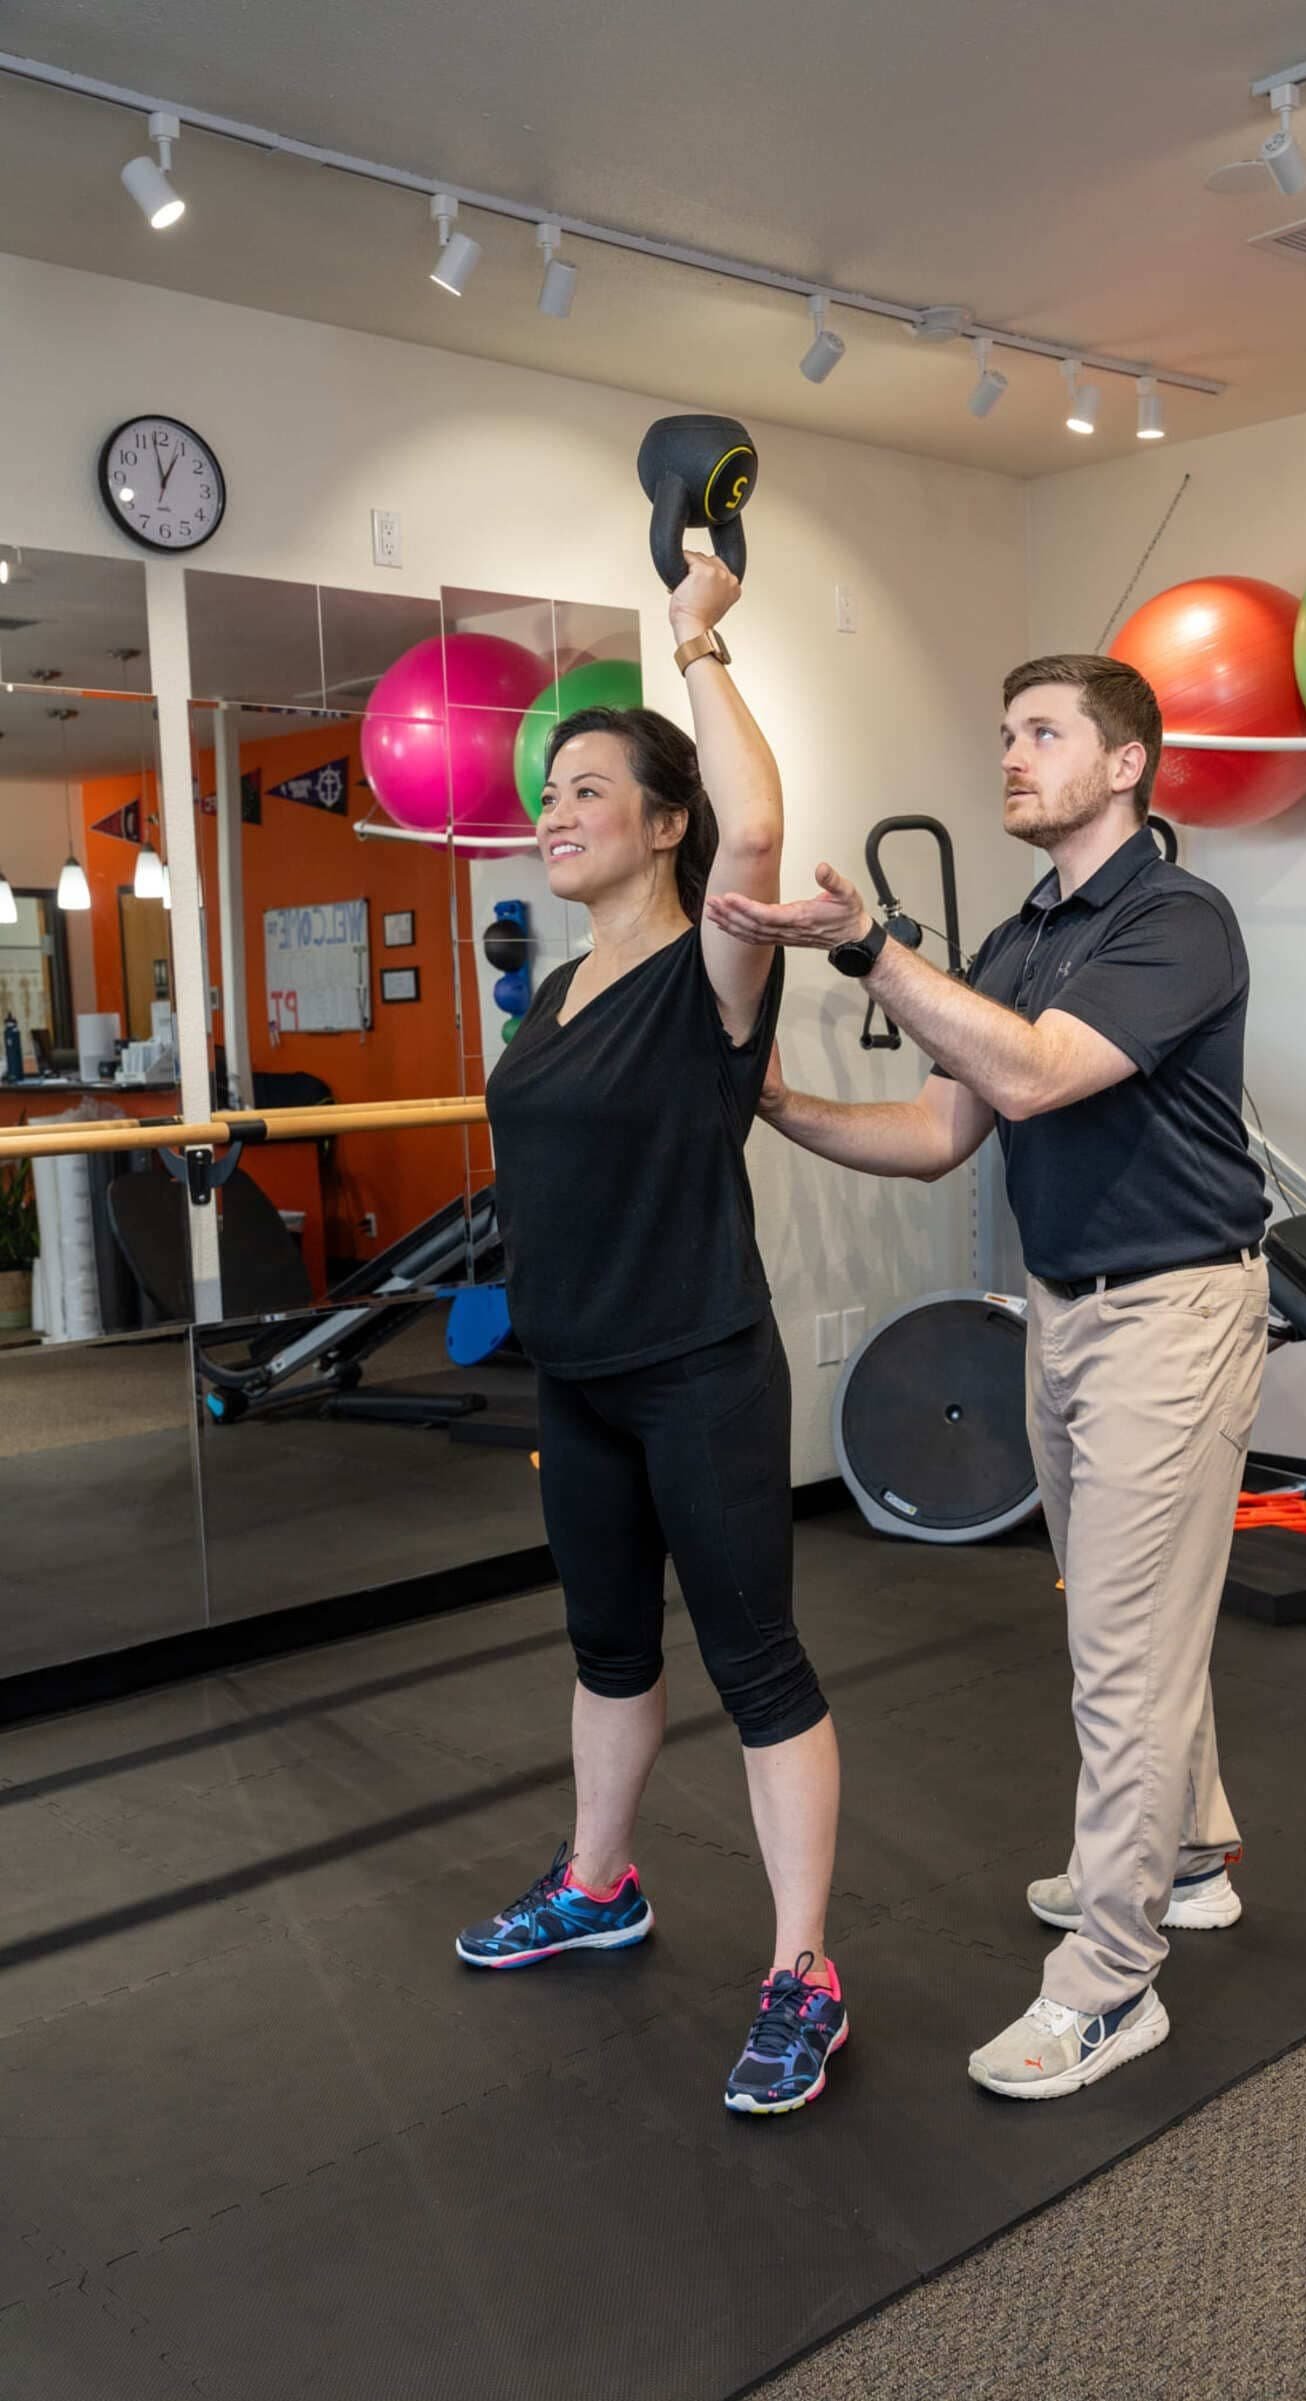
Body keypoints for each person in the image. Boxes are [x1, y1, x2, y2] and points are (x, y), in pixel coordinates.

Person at [707, 651, 1270, 2102]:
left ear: (1127, 762)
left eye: (1042, 733)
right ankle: (1191, 1851)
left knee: (1123, 1659)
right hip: (1066, 1309)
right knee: (1124, 1619)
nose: (1010, 754)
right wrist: (771, 1102)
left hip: (1174, 1310)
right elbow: (937, 1129)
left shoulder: (1178, 918)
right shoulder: (1026, 932)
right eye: (1003, 731)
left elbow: (1029, 1077)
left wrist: (869, 946)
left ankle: (1107, 1982)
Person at [458, 556, 847, 2119]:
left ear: (664, 823)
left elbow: (760, 826)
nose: (554, 811)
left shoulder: (714, 968)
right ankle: (599, 1882)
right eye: (546, 791)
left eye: (591, 788)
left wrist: (692, 631)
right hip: (582, 1376)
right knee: (608, 1651)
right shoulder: (551, 993)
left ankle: (803, 1970)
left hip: (698, 1366)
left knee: (756, 1665)